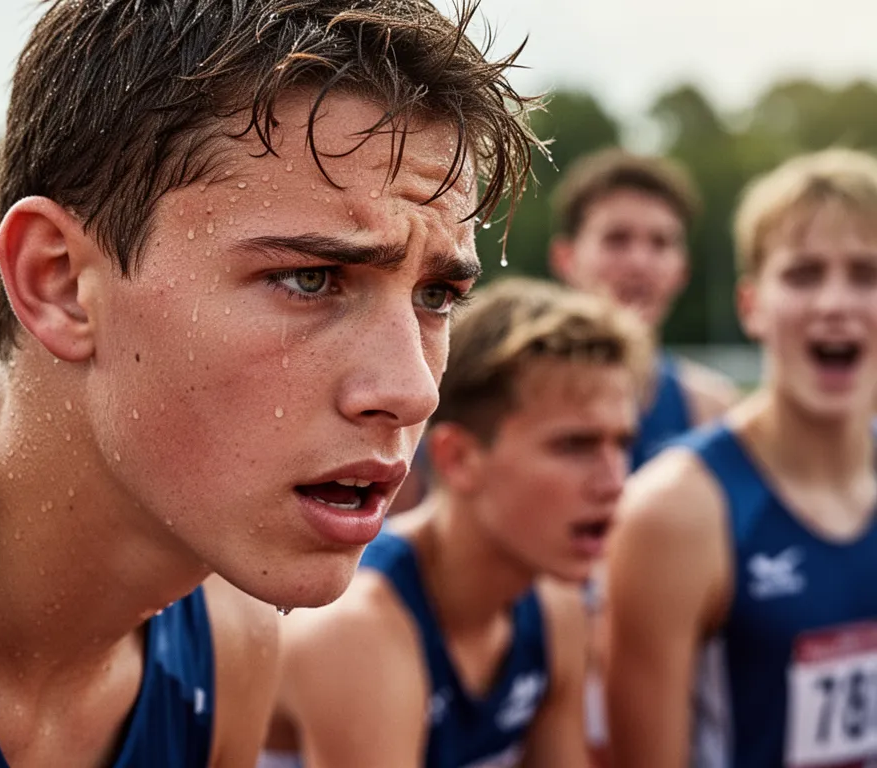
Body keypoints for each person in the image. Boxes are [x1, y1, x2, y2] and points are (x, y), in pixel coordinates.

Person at [0, 0, 537, 765]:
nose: (412, 388)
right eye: (310, 279)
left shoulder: (231, 637)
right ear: (59, 282)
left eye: (436, 297)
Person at [263, 277, 651, 767]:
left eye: (621, 444)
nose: (615, 481)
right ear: (459, 458)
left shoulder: (557, 610)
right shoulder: (358, 634)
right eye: (574, 446)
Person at [606, 148, 877, 767]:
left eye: (866, 273)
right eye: (804, 274)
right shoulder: (673, 510)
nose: (835, 302)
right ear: (751, 305)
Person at [551, 148, 741, 469]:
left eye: (660, 243)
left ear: (683, 270)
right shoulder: (505, 399)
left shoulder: (712, 413)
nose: (640, 263)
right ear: (566, 259)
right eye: (617, 239)